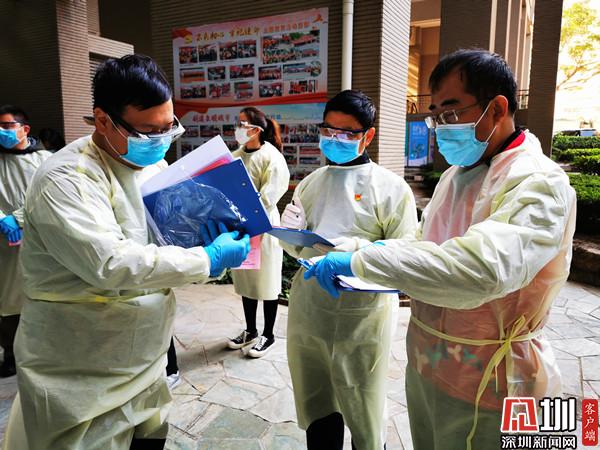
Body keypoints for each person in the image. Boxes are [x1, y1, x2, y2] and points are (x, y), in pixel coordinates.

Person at [305, 50, 577, 450]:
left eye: (450, 113)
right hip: (431, 363)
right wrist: (359, 250)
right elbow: (424, 243)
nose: (440, 128)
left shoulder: (539, 182)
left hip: (497, 377)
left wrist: (363, 259)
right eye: (436, 117)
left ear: (496, 108)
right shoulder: (455, 176)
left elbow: (479, 271)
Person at [2, 54, 250, 450]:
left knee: (148, 436)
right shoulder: (66, 179)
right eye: (148, 131)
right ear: (103, 120)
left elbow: (165, 247)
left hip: (144, 356)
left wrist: (204, 241)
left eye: (169, 127)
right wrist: (207, 259)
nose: (161, 140)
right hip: (81, 366)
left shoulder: (152, 167)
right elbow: (110, 264)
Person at [280, 90, 418, 450]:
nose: (334, 139)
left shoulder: (391, 189)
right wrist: (289, 233)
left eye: (346, 133)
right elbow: (297, 246)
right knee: (317, 399)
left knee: (362, 403)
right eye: (328, 130)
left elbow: (406, 250)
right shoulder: (311, 183)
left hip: (363, 316)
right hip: (311, 308)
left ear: (367, 136)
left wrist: (354, 251)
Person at [227, 106, 290, 357]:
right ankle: (251, 330)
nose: (238, 128)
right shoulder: (235, 156)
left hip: (263, 226)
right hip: (240, 225)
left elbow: (270, 194)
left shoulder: (271, 157)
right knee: (247, 280)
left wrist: (251, 211)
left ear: (256, 130)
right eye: (238, 123)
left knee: (267, 281)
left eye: (242, 124)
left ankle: (269, 334)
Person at [0, 105, 52, 378]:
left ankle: (45, 353)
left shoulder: (45, 160)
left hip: (39, 239)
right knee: (7, 301)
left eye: (7, 126)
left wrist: (18, 218)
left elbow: (51, 195)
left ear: (25, 129)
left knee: (44, 295)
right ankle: (12, 355)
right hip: (4, 245)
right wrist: (2, 219)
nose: (2, 131)